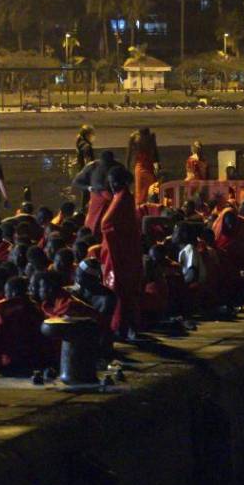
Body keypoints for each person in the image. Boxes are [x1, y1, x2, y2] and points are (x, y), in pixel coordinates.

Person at [100, 165, 144, 340]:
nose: (112, 185)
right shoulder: (123, 197)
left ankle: (121, 327)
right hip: (123, 251)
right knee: (124, 291)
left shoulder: (123, 198)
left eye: (114, 182)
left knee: (121, 291)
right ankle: (125, 326)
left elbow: (108, 223)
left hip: (121, 253)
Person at [0, 276, 54, 372]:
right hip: (34, 360)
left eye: (6, 293)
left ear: (13, 293)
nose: (5, 296)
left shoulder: (2, 309)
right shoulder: (35, 308)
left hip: (8, 361)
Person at [75, 151, 117, 231]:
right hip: (97, 198)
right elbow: (77, 182)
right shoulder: (92, 166)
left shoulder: (116, 166)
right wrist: (89, 188)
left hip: (111, 199)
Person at [127, 127, 161, 201]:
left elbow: (129, 155)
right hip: (145, 167)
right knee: (147, 190)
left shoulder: (137, 139)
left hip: (144, 167)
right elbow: (155, 154)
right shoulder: (148, 138)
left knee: (147, 190)